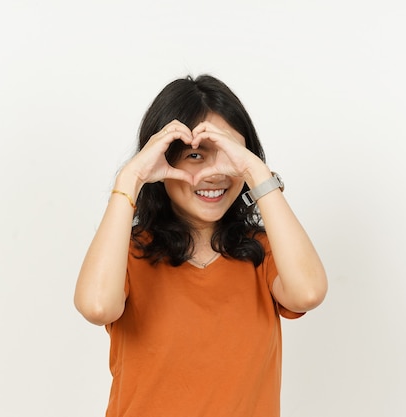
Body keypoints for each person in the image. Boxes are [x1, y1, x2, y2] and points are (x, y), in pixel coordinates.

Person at [74, 74, 327, 417]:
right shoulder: (129, 251)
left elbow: (308, 292)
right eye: (195, 155)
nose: (215, 173)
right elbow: (96, 307)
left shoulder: (263, 252)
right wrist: (130, 179)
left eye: (229, 154)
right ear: (161, 161)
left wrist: (256, 170)